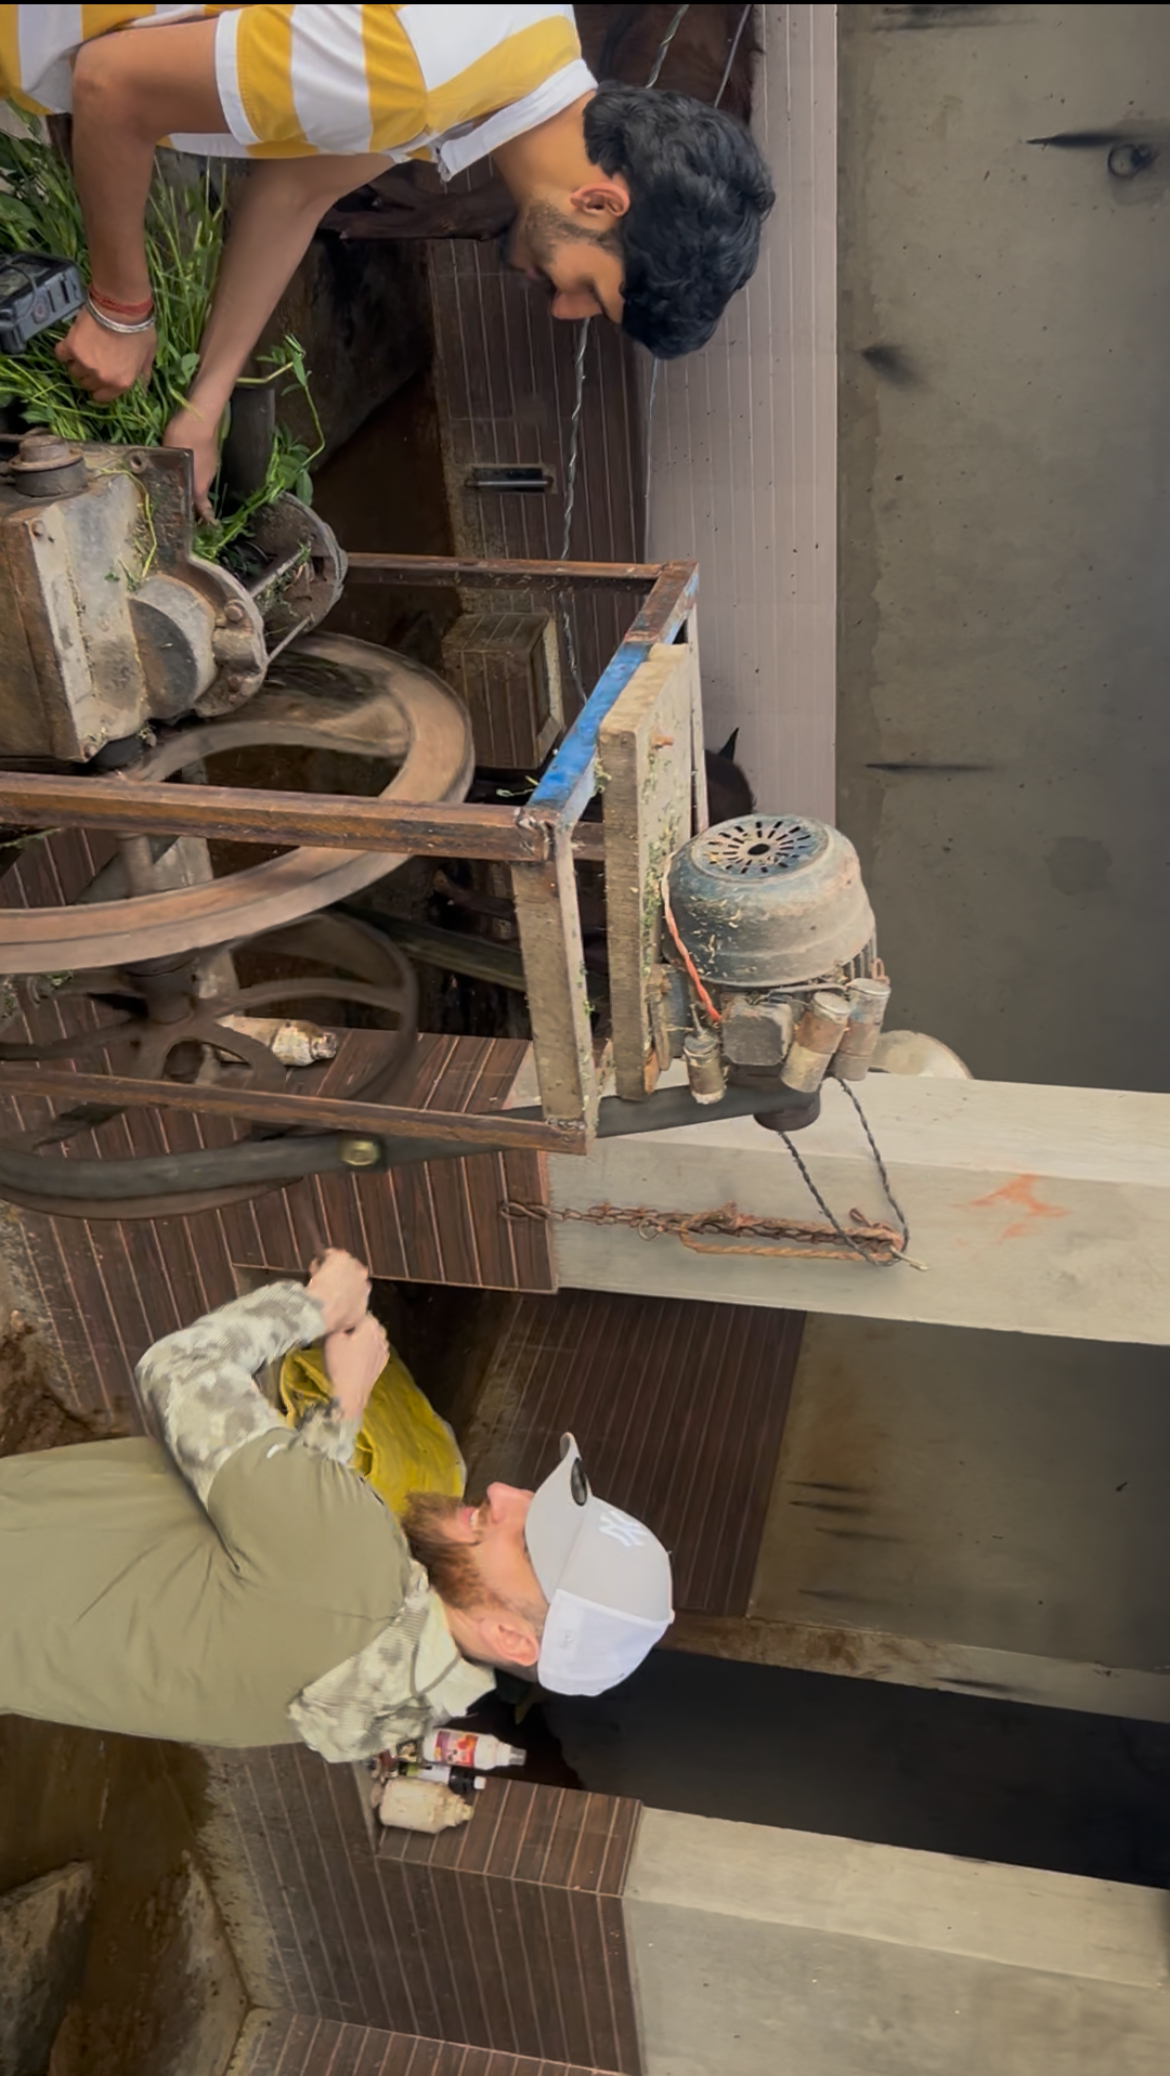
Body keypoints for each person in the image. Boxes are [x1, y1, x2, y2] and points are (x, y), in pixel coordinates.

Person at [0, 4, 775, 509]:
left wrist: (203, 407)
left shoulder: (516, 44)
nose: (564, 308)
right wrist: (121, 310)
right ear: (600, 203)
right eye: (593, 293)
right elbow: (112, 88)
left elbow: (295, 193)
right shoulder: (415, 81)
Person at [0, 1250, 673, 1762]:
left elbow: (178, 1370)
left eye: (528, 1544)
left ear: (512, 1637)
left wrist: (315, 1306)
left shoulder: (357, 1572)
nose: (503, 1495)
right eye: (534, 1500)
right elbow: (274, 1546)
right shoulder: (384, 1691)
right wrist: (343, 1406)